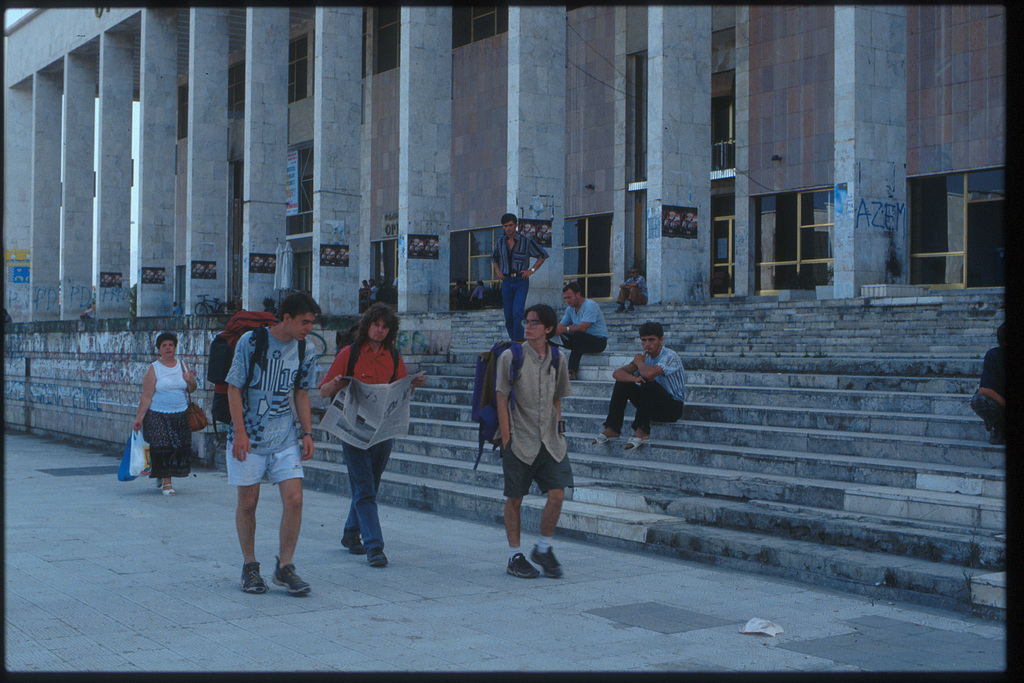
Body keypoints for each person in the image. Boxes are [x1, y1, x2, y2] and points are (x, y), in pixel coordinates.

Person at [226, 292, 321, 595]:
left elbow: (302, 392)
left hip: (284, 437)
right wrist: (240, 432)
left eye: (312, 322)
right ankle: (250, 566)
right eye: (304, 322)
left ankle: (285, 566)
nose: (309, 327)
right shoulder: (252, 342)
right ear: (287, 318)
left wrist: (307, 432)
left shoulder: (307, 348)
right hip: (249, 436)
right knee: (248, 502)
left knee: (294, 499)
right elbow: (234, 388)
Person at [319, 303, 426, 568]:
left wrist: (410, 386)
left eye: (384, 326)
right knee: (365, 488)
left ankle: (349, 534)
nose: (379, 330)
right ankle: (374, 546)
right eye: (375, 324)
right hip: (353, 431)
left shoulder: (393, 357)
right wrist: (336, 385)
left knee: (369, 486)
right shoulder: (350, 353)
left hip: (382, 432)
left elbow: (400, 396)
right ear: (367, 325)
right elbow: (323, 391)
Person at [497, 303, 572, 579]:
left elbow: (557, 396)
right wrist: (507, 438)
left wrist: (559, 427)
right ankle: (514, 555)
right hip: (520, 439)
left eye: (534, 323)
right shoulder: (511, 356)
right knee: (514, 499)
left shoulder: (558, 358)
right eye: (526, 321)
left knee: (558, 494)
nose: (527, 326)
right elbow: (501, 397)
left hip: (550, 440)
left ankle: (543, 547)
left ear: (548, 329)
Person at [592, 321, 686, 451]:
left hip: (672, 408)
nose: (647, 344)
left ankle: (642, 431)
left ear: (661, 340)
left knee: (647, 381)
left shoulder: (670, 356)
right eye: (644, 340)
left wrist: (638, 363)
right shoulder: (643, 358)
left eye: (651, 340)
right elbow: (617, 374)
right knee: (624, 382)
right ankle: (612, 428)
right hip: (651, 406)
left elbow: (648, 374)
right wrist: (635, 378)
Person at [132, 332, 197, 495]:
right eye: (164, 345)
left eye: (171, 345)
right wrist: (139, 418)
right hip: (158, 415)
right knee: (163, 448)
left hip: (180, 415)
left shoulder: (182, 365)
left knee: (178, 448)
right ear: (159, 350)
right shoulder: (154, 368)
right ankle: (167, 483)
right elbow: (146, 396)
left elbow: (192, 389)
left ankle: (161, 474)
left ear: (175, 347)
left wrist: (190, 379)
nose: (168, 348)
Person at [492, 212, 548, 341]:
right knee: (508, 315)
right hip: (506, 281)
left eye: (510, 225)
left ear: (516, 225)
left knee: (518, 312)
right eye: (505, 226)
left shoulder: (525, 241)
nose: (508, 228)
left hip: (520, 280)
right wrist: (498, 271)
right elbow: (494, 258)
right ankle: (515, 341)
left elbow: (542, 255)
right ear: (502, 227)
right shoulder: (500, 242)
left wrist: (531, 270)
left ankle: (518, 341)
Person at [555, 281, 608, 381]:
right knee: (553, 337)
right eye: (565, 298)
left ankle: (571, 371)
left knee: (579, 335)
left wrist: (565, 329)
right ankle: (550, 366)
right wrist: (555, 331)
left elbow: (583, 328)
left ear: (578, 294)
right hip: (580, 341)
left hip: (598, 341)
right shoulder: (570, 309)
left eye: (569, 297)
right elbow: (561, 325)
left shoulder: (590, 305)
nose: (567, 301)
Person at [970, 322, 1005, 444]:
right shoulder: (994, 355)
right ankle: (998, 427)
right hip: (1002, 406)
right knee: (979, 399)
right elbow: (984, 390)